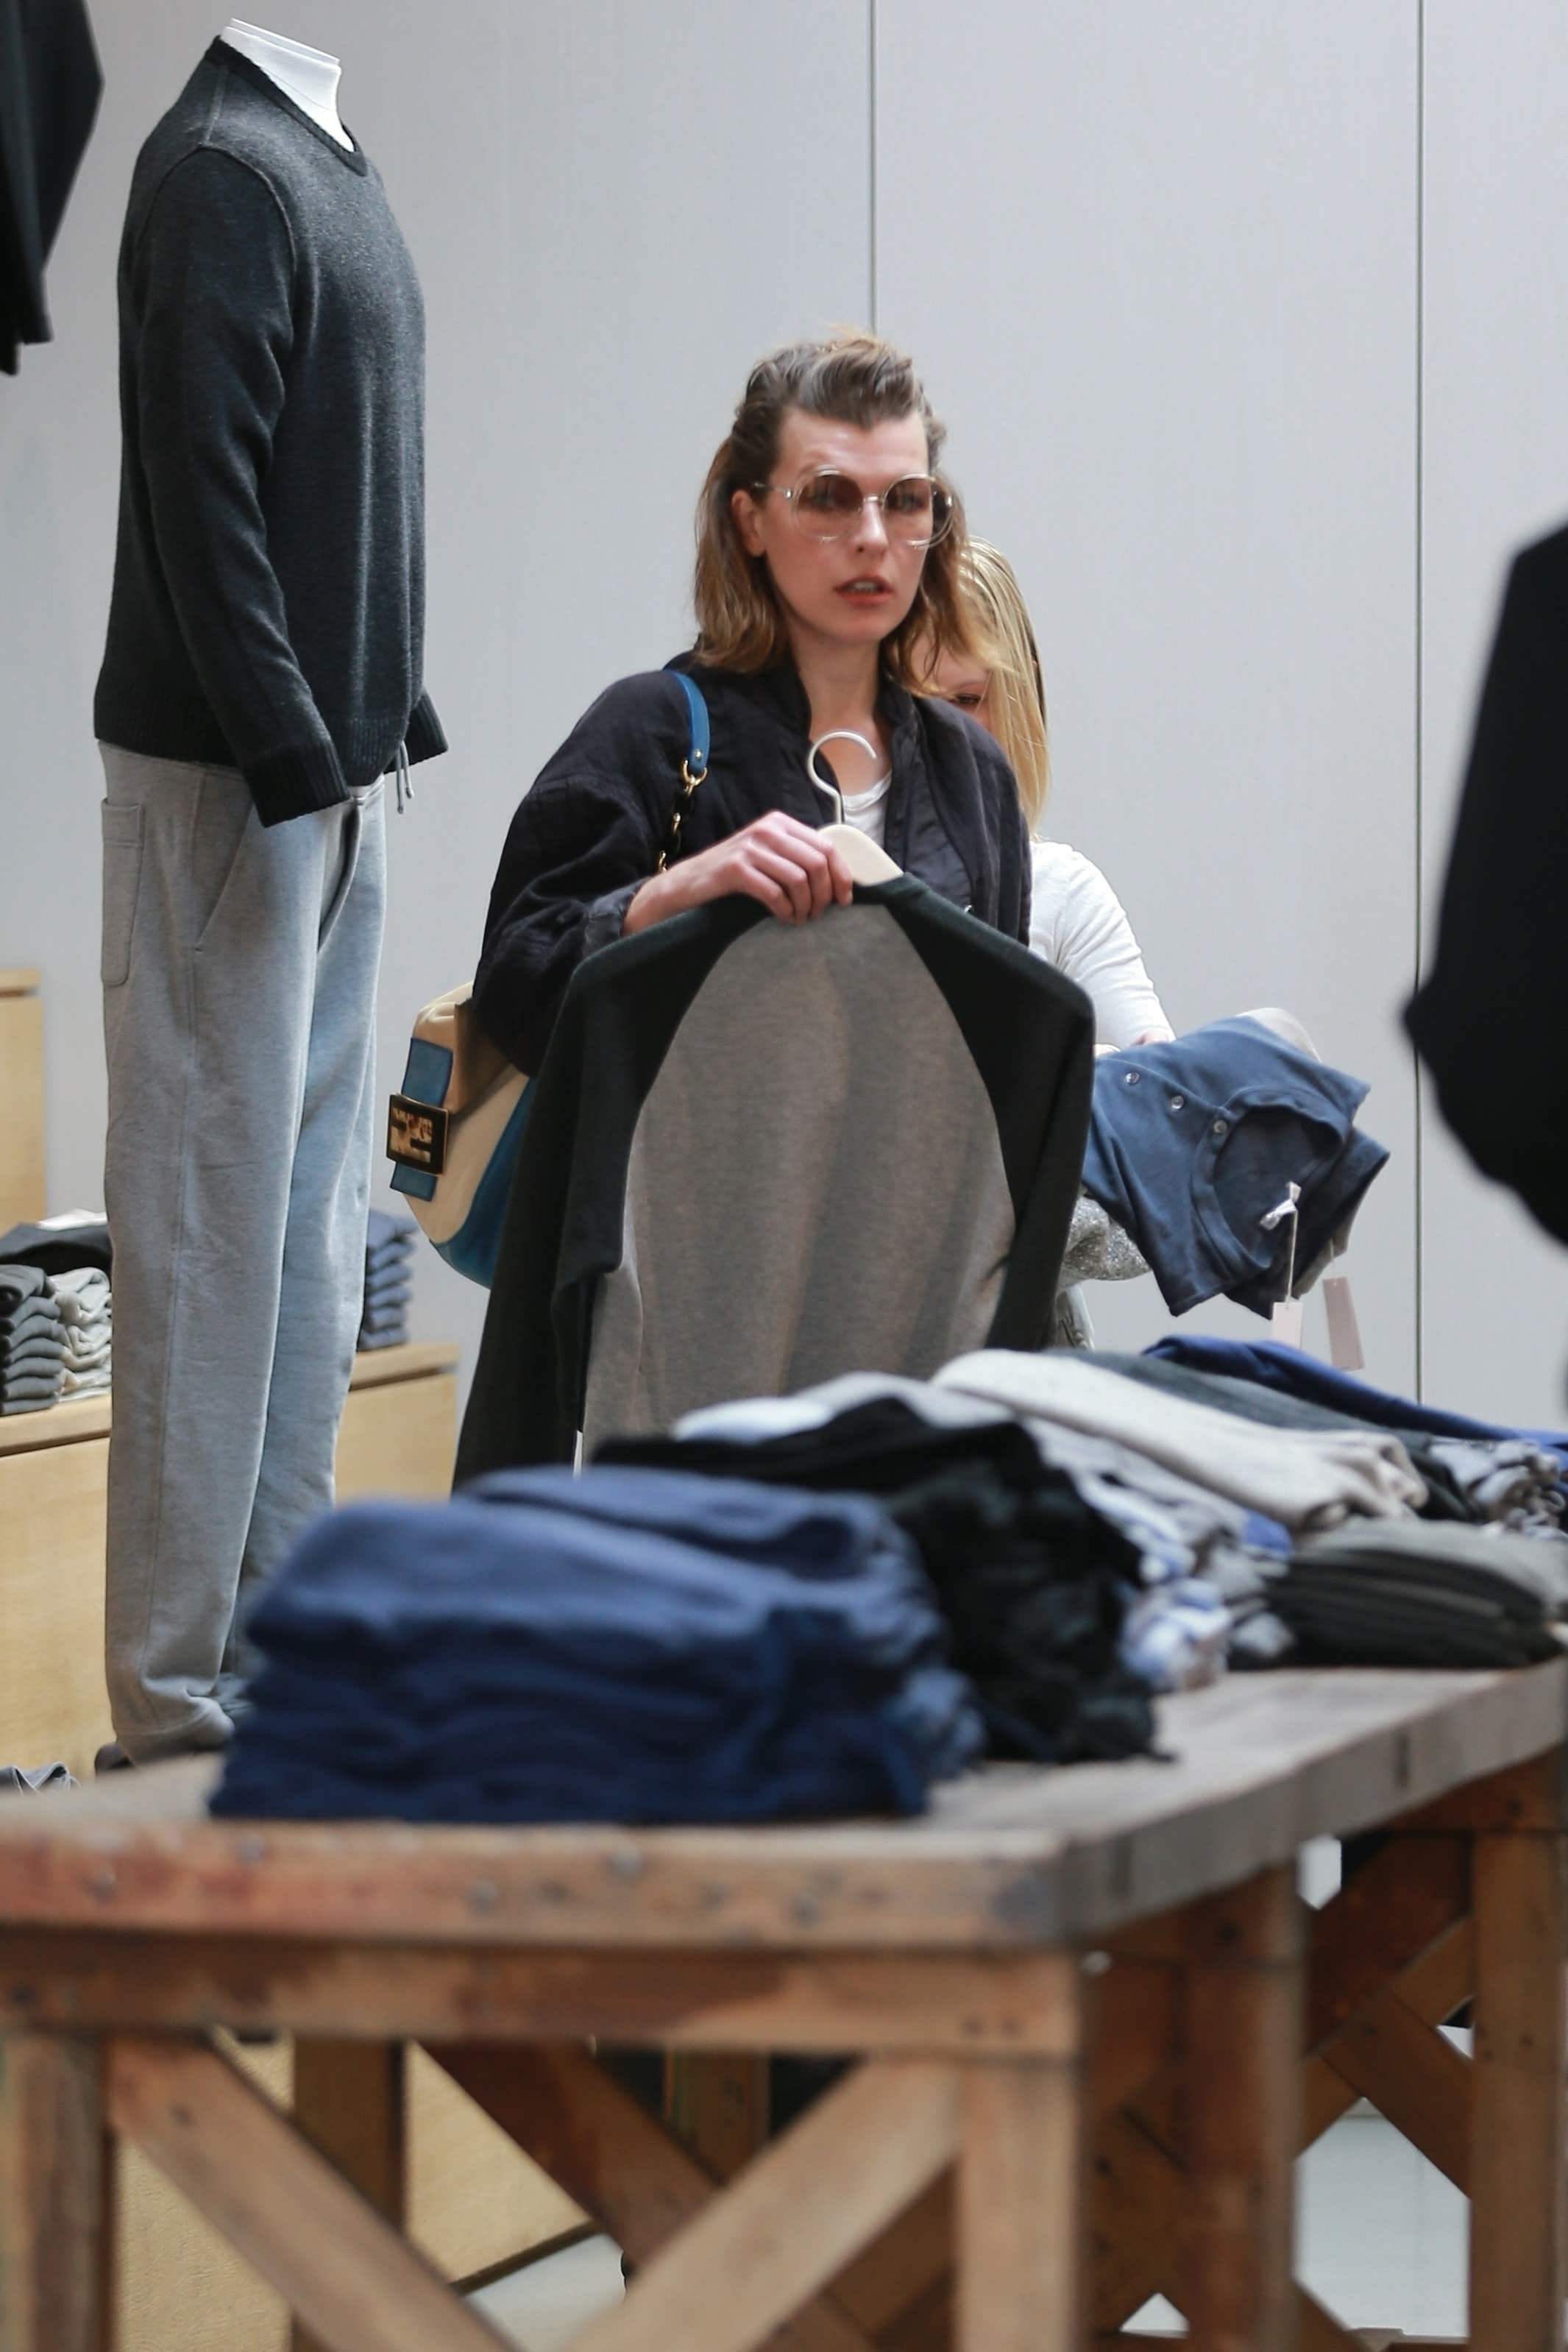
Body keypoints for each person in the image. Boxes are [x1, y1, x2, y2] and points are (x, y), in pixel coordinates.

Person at [473, 334, 1031, 1076]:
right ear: (750, 520)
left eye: (905, 500)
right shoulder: (652, 730)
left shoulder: (972, 772)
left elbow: (996, 1062)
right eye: (828, 496)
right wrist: (670, 898)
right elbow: (515, 993)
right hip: (682, 1151)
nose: (873, 538)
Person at [920, 539, 1173, 1049]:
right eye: (908, 697)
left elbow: (1155, 1080)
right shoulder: (818, 873)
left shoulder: (1064, 890)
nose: (937, 729)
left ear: (1017, 694)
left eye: (966, 699)